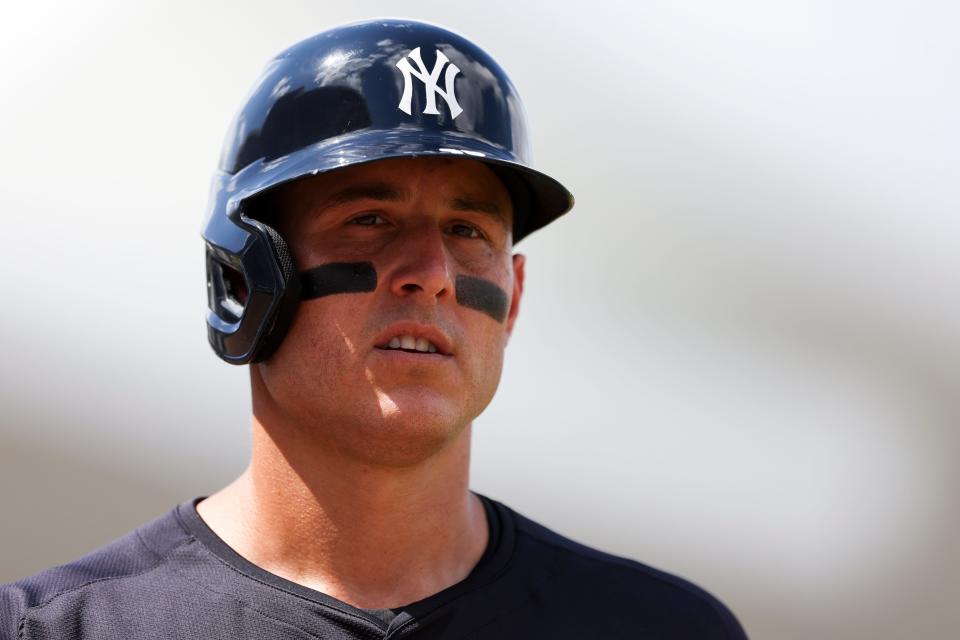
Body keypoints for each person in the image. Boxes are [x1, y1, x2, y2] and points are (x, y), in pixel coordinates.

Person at [0, 19, 748, 639]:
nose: (432, 272)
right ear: (243, 277)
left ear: (512, 301)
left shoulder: (660, 628)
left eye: (467, 230)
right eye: (370, 219)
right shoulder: (55, 629)